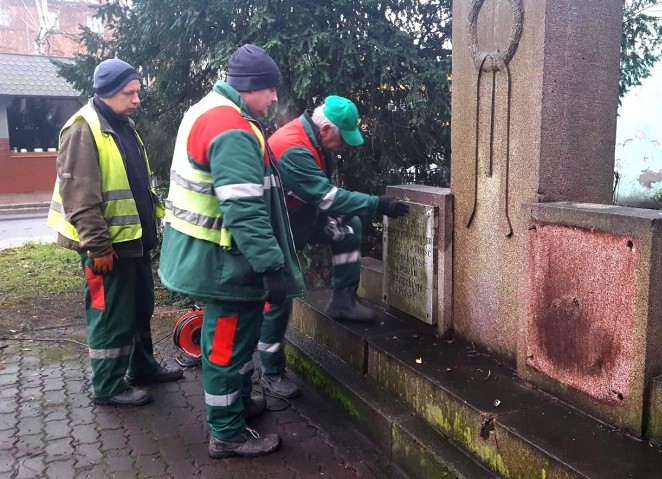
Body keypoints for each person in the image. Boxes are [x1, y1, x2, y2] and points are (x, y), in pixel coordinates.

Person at [158, 44, 305, 459]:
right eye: (270, 89)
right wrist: (271, 266)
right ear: (250, 86)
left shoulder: (209, 110)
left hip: (214, 257)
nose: (275, 98)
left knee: (235, 341)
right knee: (225, 346)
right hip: (225, 264)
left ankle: (237, 407)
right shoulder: (232, 127)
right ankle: (226, 433)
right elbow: (244, 209)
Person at [46, 58, 183, 408]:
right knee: (110, 315)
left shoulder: (123, 125)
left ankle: (142, 368)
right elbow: (80, 199)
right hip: (107, 248)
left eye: (137, 91)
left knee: (139, 308)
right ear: (107, 92)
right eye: (129, 93)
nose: (137, 99)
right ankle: (107, 385)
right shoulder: (82, 129)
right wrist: (98, 247)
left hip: (133, 241)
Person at [257, 95, 409, 400]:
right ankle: (270, 371)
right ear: (326, 129)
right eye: (342, 138)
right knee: (280, 294)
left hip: (301, 215)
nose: (344, 147)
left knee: (348, 225)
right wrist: (378, 204)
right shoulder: (293, 148)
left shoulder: (315, 141)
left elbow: (323, 200)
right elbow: (327, 197)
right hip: (277, 226)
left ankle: (343, 300)